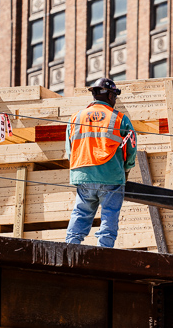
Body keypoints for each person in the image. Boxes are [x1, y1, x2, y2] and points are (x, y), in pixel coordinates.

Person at [65, 78, 136, 248]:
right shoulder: (120, 119)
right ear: (110, 95)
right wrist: (126, 169)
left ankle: (71, 246)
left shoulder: (76, 118)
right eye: (115, 96)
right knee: (109, 213)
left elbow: (70, 150)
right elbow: (131, 147)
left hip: (83, 174)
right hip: (111, 175)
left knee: (81, 212)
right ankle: (104, 249)